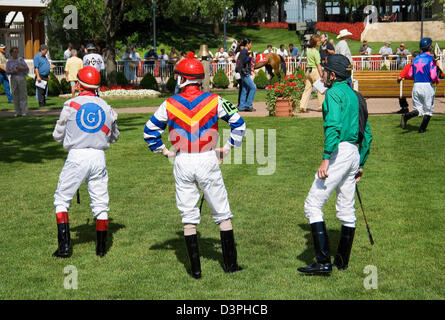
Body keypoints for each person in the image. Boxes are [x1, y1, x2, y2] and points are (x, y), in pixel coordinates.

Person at [143, 52, 246, 279]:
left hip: (182, 160)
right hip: (207, 158)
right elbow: (239, 123)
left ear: (182, 78)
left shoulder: (169, 103)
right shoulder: (215, 100)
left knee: (188, 216)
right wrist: (227, 148)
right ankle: (230, 265)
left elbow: (149, 132)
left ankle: (196, 271)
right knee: (222, 214)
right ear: (199, 79)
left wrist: (164, 151)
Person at [298, 54, 373, 275]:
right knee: (347, 208)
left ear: (333, 74)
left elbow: (333, 128)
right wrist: (361, 163)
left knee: (312, 204)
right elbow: (366, 135)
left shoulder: (332, 95)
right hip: (353, 155)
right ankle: (342, 261)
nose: (323, 74)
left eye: (325, 71)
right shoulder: (357, 96)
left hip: (339, 152)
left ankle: (323, 263)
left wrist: (325, 158)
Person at [52, 66, 120, 258]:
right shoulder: (107, 107)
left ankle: (64, 248)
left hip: (77, 156)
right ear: (97, 86)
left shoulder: (70, 105)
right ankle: (101, 250)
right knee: (100, 204)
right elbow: (114, 137)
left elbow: (58, 135)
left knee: (62, 200)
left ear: (80, 84)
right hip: (99, 157)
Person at [401, 38, 439, 133]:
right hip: (426, 86)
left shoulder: (416, 59)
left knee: (418, 109)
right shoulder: (431, 59)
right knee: (428, 110)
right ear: (429, 47)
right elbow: (433, 76)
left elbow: (410, 74)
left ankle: (406, 116)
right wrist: (436, 80)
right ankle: (422, 129)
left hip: (416, 86)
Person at [300, 34, 325, 112]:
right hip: (314, 71)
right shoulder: (316, 52)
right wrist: (322, 75)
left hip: (308, 71)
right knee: (321, 89)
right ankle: (321, 106)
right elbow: (318, 65)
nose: (320, 42)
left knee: (307, 89)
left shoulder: (309, 51)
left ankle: (302, 106)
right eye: (318, 41)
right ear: (315, 42)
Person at [6, 46, 29, 116]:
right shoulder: (9, 62)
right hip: (13, 78)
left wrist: (20, 68)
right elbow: (7, 72)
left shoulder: (21, 60)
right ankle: (17, 111)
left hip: (21, 78)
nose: (15, 53)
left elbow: (26, 68)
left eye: (17, 52)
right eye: (14, 52)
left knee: (23, 95)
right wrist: (13, 71)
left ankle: (24, 111)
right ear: (11, 53)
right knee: (15, 95)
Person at [236, 39, 256, 112]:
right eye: (250, 44)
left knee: (244, 89)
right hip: (244, 73)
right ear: (247, 44)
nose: (251, 45)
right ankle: (248, 105)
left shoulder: (243, 52)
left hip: (243, 72)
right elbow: (244, 61)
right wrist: (249, 57)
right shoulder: (244, 52)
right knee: (253, 87)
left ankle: (241, 106)